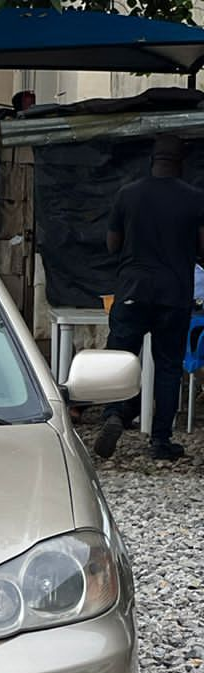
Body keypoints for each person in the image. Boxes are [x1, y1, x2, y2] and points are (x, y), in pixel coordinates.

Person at [94, 133, 204, 462]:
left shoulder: (127, 195)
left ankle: (114, 414)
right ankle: (160, 441)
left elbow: (112, 245)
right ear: (180, 164)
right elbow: (202, 246)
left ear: (152, 162)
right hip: (174, 294)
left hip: (132, 290)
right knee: (168, 367)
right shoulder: (195, 199)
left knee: (121, 358)